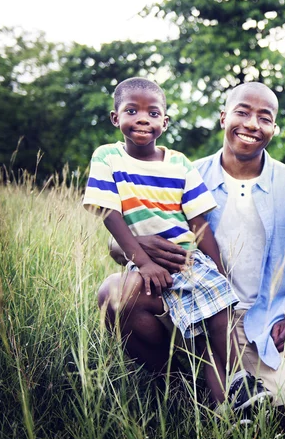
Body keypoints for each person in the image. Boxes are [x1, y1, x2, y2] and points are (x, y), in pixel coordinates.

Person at [100, 81, 285, 422]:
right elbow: (124, 239)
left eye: (264, 118)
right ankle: (178, 379)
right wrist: (130, 245)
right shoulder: (181, 174)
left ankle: (236, 391)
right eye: (242, 112)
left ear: (274, 129)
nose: (251, 124)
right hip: (196, 319)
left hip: (267, 327)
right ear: (223, 118)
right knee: (115, 293)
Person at [84, 77, 270, 412]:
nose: (143, 118)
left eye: (153, 113)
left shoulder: (180, 164)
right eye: (132, 111)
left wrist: (219, 269)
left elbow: (199, 224)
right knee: (128, 299)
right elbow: (110, 215)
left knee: (215, 318)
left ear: (164, 122)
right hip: (149, 265)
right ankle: (173, 381)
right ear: (115, 118)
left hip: (188, 259)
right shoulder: (108, 157)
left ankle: (231, 395)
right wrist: (143, 262)